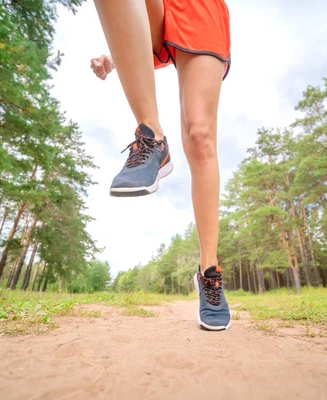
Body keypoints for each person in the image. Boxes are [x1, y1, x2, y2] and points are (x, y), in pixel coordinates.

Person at [90, 0, 231, 331]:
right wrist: (116, 56)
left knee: (200, 136)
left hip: (202, 9)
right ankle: (151, 136)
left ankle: (209, 271)